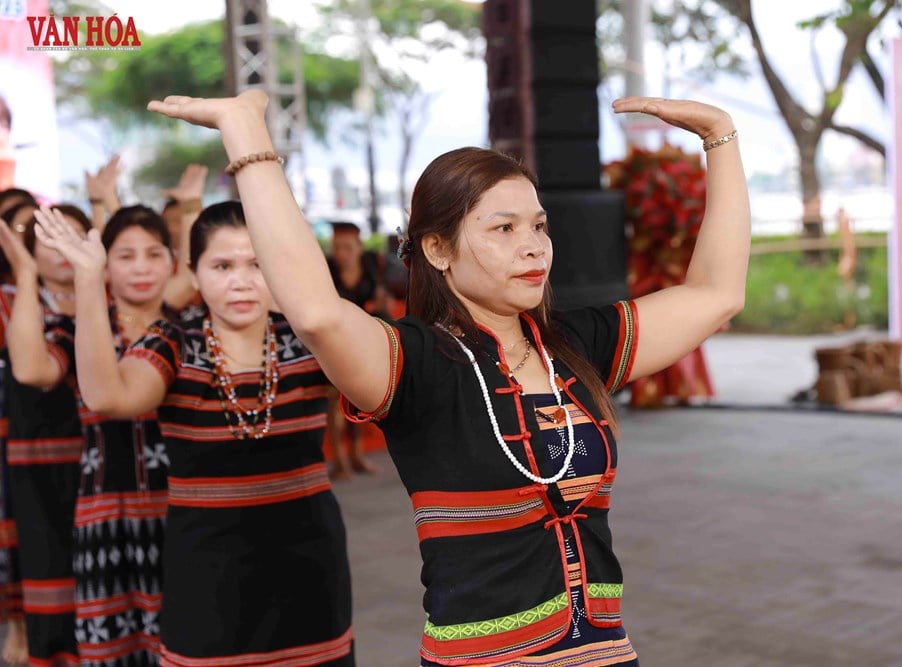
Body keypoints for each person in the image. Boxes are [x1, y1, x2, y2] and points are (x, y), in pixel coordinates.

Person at [148, 89, 749, 665]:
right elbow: (316, 313)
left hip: (606, 656)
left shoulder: (575, 345)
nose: (533, 247)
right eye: (503, 229)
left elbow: (716, 294)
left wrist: (719, 136)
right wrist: (249, 137)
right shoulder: (418, 365)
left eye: (539, 226)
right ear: (437, 249)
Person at [33, 201, 355, 666]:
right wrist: (88, 279)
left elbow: (383, 379)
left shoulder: (310, 340)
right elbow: (108, 396)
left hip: (310, 572)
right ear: (194, 273)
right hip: (207, 581)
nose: (241, 281)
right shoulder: (174, 342)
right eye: (222, 265)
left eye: (258, 264)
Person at [3, 205, 177, 666]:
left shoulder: (192, 330)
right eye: (125, 256)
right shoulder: (80, 332)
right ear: (102, 264)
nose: (141, 267)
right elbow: (30, 368)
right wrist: (25, 271)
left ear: (174, 263)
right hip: (105, 515)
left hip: (185, 513)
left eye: (153, 253)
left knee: (188, 644)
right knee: (111, 652)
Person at [0, 205, 91, 667]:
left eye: (72, 234)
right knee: (47, 564)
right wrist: (25, 274)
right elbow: (32, 369)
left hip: (99, 463)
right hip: (38, 464)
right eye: (48, 237)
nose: (60, 246)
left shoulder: (116, 305)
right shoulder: (18, 305)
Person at [323, 221, 385, 479]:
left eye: (347, 247)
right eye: (337, 247)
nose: (341, 253)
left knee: (359, 401)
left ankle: (356, 454)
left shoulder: (371, 266)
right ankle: (339, 461)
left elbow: (381, 301)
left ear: (359, 248)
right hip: (332, 342)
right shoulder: (326, 269)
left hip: (362, 340)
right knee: (333, 406)